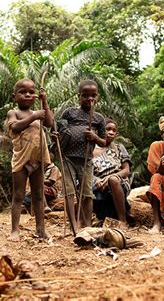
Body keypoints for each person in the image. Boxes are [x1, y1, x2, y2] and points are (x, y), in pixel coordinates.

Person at [6, 78, 54, 241]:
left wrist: (44, 101)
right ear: (14, 97)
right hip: (21, 159)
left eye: (31, 92)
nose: (27, 95)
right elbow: (15, 127)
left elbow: (49, 123)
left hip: (37, 159)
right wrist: (34, 117)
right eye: (23, 92)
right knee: (18, 195)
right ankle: (14, 231)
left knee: (39, 195)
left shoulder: (39, 112)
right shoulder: (14, 113)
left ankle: (41, 229)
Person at [56, 80, 106, 229]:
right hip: (68, 158)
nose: (89, 99)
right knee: (69, 192)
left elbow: (104, 142)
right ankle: (73, 224)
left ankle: (87, 223)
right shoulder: (69, 113)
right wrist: (56, 137)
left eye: (93, 96)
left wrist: (94, 137)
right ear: (79, 96)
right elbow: (59, 130)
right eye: (85, 95)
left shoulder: (98, 118)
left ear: (97, 97)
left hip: (86, 159)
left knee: (86, 192)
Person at [92, 119, 132, 229]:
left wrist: (110, 177)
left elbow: (126, 170)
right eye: (108, 129)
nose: (111, 132)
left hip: (119, 181)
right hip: (97, 183)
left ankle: (123, 221)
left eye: (114, 130)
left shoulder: (119, 147)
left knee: (113, 180)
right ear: (100, 130)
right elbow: (86, 171)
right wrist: (97, 180)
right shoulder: (90, 149)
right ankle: (84, 220)